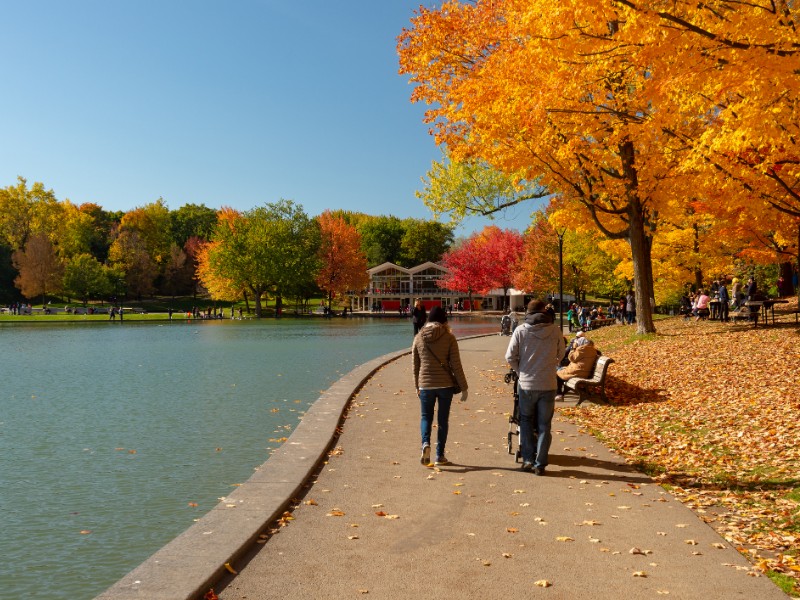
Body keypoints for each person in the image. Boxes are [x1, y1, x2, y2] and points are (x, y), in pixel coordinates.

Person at [505, 299, 565, 475]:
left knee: (525, 421)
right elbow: (561, 353)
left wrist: (520, 370)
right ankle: (541, 464)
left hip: (527, 383)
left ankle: (529, 459)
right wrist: (552, 364)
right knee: (544, 425)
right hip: (548, 383)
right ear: (543, 311)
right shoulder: (555, 330)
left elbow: (510, 356)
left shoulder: (521, 331)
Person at [412, 306, 468, 467]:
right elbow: (456, 365)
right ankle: (440, 455)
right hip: (445, 385)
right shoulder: (449, 337)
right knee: (443, 420)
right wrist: (464, 387)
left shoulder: (418, 337)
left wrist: (417, 385)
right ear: (444, 319)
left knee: (425, 417)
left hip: (425, 384)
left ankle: (425, 444)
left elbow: (415, 365)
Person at [555, 332, 598, 399]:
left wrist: (573, 348)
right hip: (584, 371)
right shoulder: (592, 349)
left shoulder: (582, 349)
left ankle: (559, 394)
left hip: (578, 372)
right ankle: (559, 392)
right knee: (560, 369)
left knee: (557, 374)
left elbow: (571, 358)